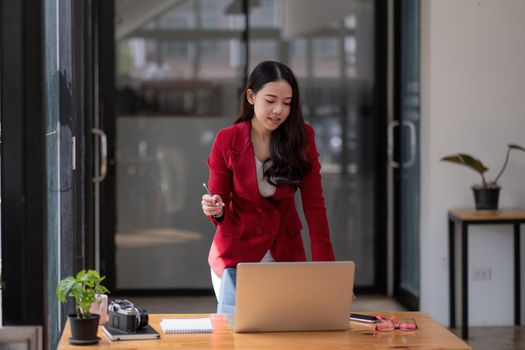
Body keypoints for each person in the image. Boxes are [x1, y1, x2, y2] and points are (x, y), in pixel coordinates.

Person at [201, 60, 335, 306]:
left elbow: (315, 206)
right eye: (270, 100)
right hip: (235, 257)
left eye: (286, 103)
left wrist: (327, 272)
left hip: (285, 252)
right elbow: (220, 206)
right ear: (251, 97)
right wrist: (216, 209)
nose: (278, 111)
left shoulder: (302, 138)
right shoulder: (226, 140)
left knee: (289, 334)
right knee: (235, 339)